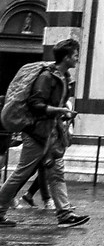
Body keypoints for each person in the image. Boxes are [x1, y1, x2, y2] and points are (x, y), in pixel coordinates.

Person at [0, 37, 86, 230]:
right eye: (75, 55)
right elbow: (35, 104)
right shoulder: (47, 77)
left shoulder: (64, 78)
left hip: (51, 133)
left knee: (57, 173)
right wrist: (60, 111)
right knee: (21, 173)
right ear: (66, 57)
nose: (77, 59)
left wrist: (61, 114)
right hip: (36, 134)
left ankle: (65, 214)